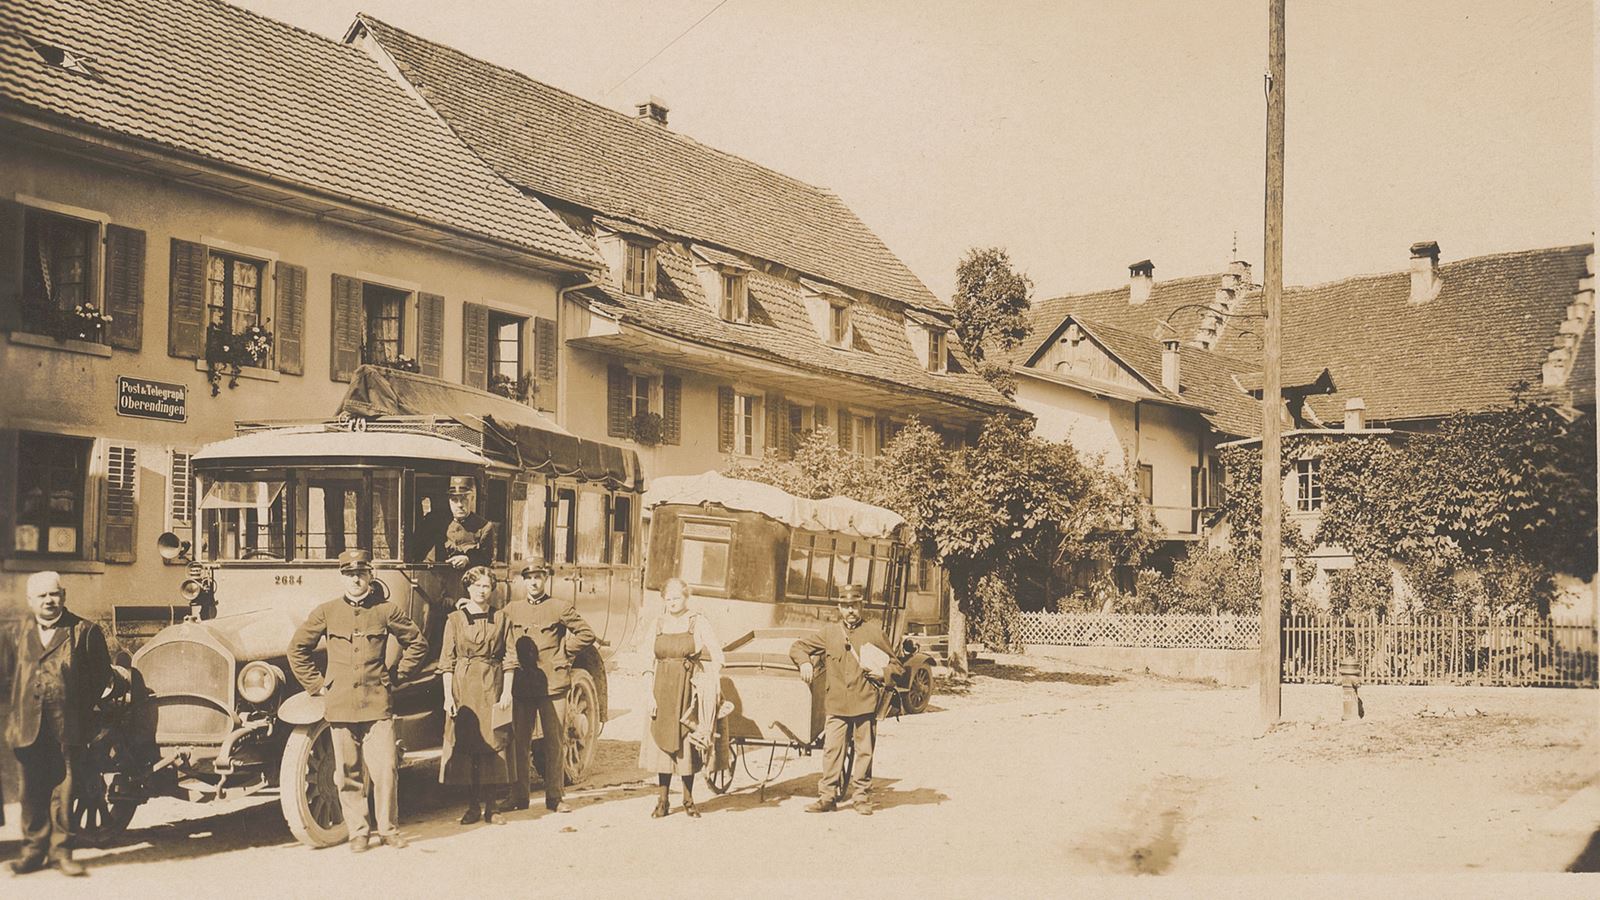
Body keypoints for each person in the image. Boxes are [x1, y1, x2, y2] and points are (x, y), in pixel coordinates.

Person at [287, 549, 427, 852]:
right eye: (350, 574)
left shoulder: (387, 610)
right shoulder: (326, 611)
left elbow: (417, 643)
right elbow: (297, 649)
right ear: (342, 578)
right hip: (340, 705)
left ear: (370, 576)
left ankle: (389, 829)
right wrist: (316, 684)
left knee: (386, 768)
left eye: (361, 574)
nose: (355, 579)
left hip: (377, 702)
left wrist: (397, 675)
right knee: (348, 773)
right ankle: (358, 832)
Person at [4, 571, 112, 877]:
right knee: (31, 792)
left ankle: (61, 852)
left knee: (64, 792)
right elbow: (8, 676)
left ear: (63, 596)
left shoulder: (85, 631)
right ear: (30, 601)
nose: (49, 601)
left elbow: (100, 677)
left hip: (68, 725)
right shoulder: (17, 634)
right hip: (28, 725)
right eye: (42, 596)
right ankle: (34, 852)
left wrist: (73, 704)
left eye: (54, 594)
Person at [789, 584, 902, 816]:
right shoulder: (829, 633)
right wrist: (805, 662)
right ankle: (827, 797)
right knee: (832, 751)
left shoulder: (874, 632)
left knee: (864, 752)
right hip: (837, 704)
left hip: (864, 702)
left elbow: (897, 666)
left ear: (861, 606)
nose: (850, 610)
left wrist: (883, 673)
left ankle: (861, 798)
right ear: (839, 607)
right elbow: (798, 647)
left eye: (854, 605)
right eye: (846, 606)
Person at [500, 559, 595, 813]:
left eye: (539, 577)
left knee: (554, 740)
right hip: (523, 683)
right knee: (520, 741)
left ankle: (555, 797)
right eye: (529, 577)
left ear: (546, 579)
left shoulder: (559, 607)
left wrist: (564, 652)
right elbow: (502, 637)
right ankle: (519, 796)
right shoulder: (511, 610)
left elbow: (586, 634)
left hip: (553, 684)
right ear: (523, 580)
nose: (534, 582)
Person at [639, 578, 723, 818]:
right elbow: (646, 660)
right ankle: (663, 801)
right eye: (668, 599)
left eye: (677, 598)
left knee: (687, 747)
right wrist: (649, 695)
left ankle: (688, 800)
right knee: (663, 746)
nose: (672, 603)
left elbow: (717, 654)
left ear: (686, 598)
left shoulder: (698, 622)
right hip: (661, 691)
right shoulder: (657, 624)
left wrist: (709, 683)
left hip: (688, 692)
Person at [440, 566, 514, 825]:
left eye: (486, 586)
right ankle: (472, 806)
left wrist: (507, 692)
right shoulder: (454, 620)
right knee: (470, 747)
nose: (482, 591)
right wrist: (448, 696)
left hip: (492, 685)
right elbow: (446, 662)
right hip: (464, 686)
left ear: (492, 589)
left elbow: (510, 658)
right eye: (477, 586)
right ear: (468, 588)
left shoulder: (502, 619)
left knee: (493, 746)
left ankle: (492, 808)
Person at [441, 476, 496, 570]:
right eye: (454, 500)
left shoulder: (484, 527)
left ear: (472, 499)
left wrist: (468, 559)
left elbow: (487, 560)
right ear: (449, 501)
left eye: (464, 499)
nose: (459, 505)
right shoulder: (440, 525)